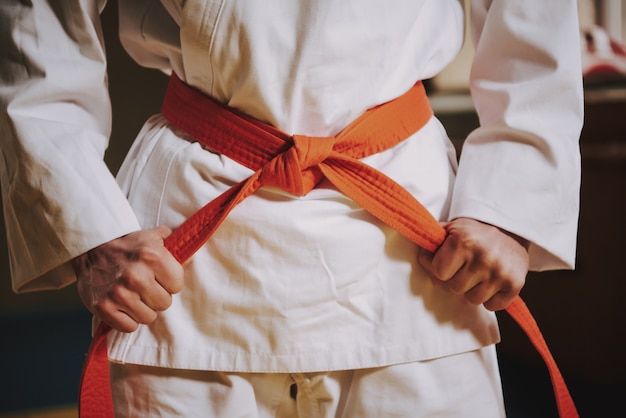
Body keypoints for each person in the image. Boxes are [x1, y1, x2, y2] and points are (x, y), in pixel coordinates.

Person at [0, 1, 583, 417]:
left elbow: (535, 23)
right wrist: (88, 230)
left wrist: (511, 205)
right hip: (191, 246)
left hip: (409, 246)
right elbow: (39, 34)